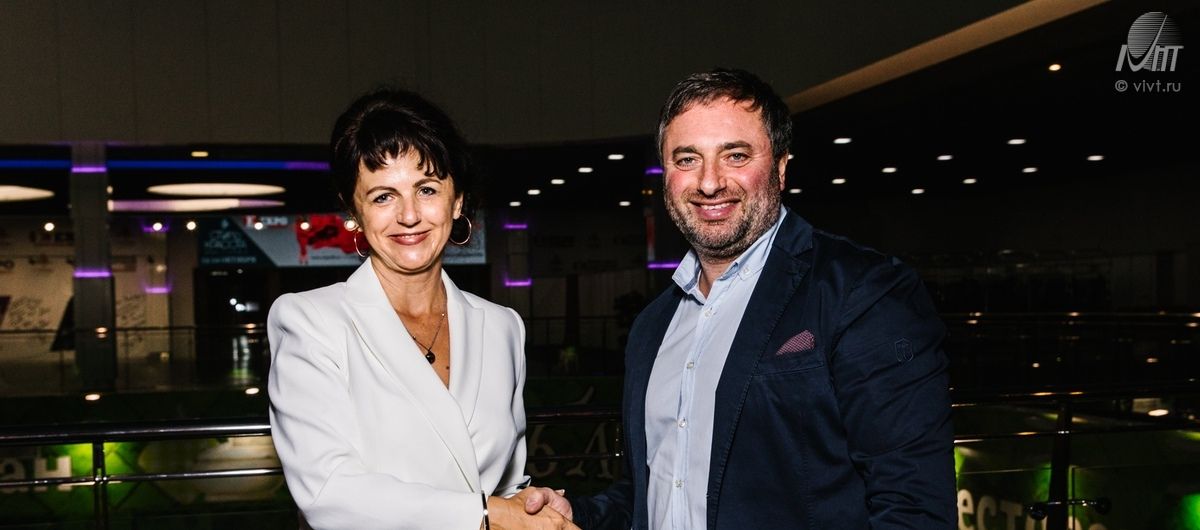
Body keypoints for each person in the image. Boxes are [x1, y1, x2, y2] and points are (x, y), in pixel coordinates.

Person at [530, 68, 956, 528]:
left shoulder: (862, 292)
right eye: (687, 159)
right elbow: (650, 495)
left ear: (781, 167)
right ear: (666, 173)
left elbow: (915, 510)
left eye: (735, 155)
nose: (709, 182)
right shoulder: (653, 326)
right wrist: (579, 515)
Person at [267, 88, 574, 529]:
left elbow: (501, 482)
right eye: (383, 196)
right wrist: (490, 514)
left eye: (427, 189)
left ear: (457, 200)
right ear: (355, 209)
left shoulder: (502, 327)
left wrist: (528, 501)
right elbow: (328, 492)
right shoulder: (310, 322)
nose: (409, 215)